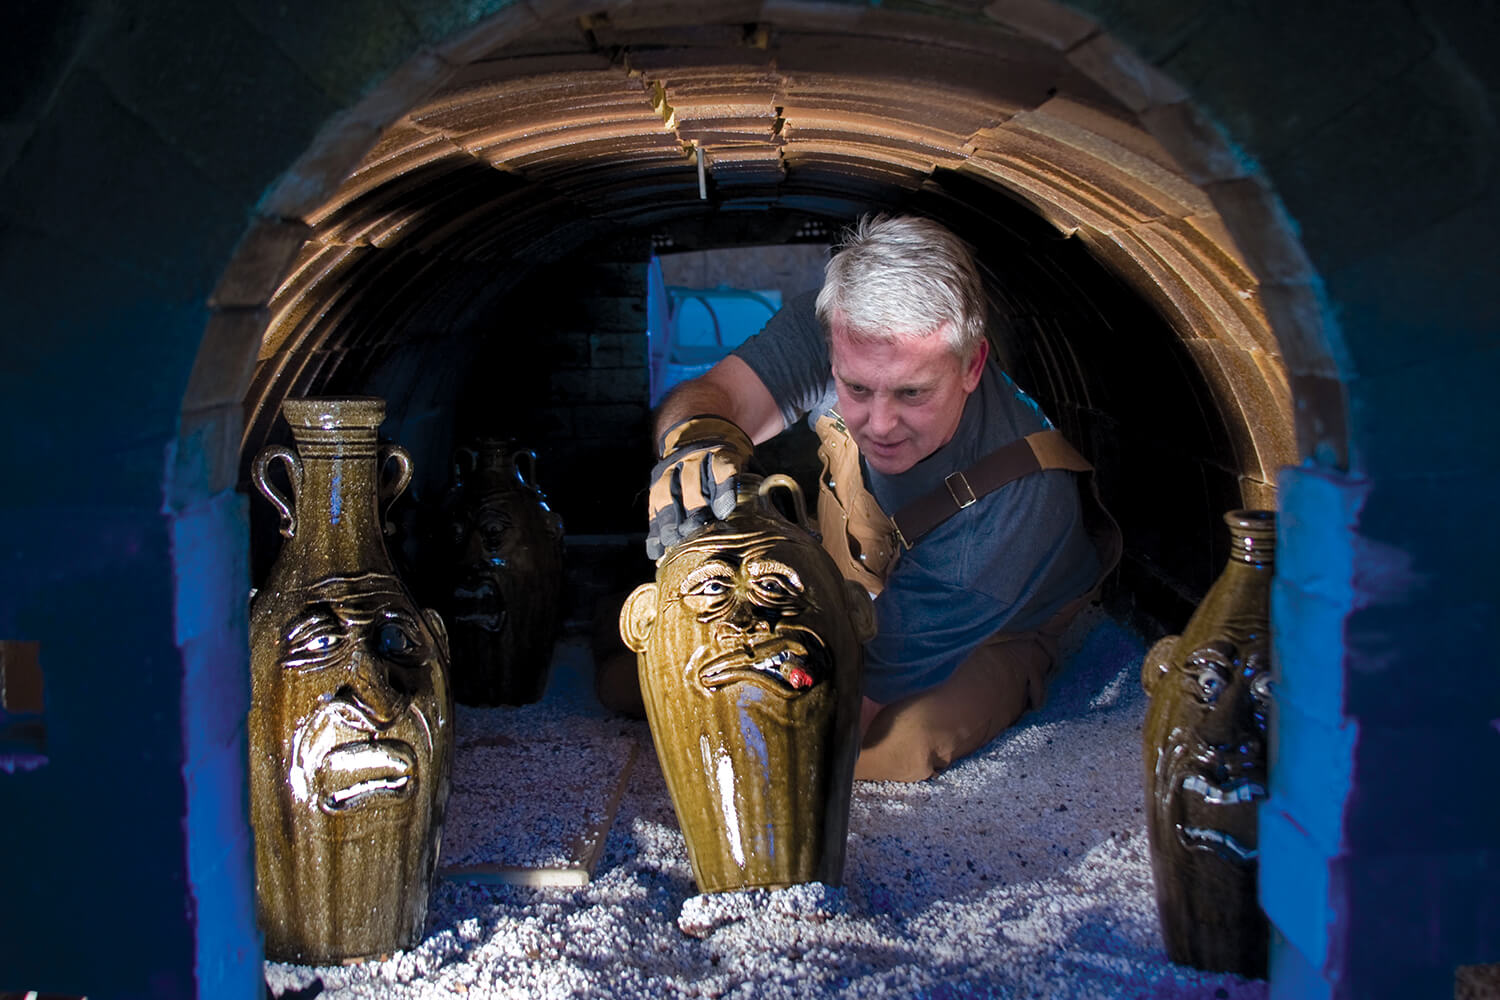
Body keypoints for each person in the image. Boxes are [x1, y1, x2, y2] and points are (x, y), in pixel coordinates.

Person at [644, 214, 1118, 782]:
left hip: (990, 623)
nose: (880, 424)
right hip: (858, 579)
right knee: (650, 680)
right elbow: (715, 394)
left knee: (890, 744)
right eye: (856, 388)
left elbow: (859, 692)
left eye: (913, 392)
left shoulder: (1017, 501)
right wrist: (695, 442)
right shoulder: (835, 326)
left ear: (972, 366)